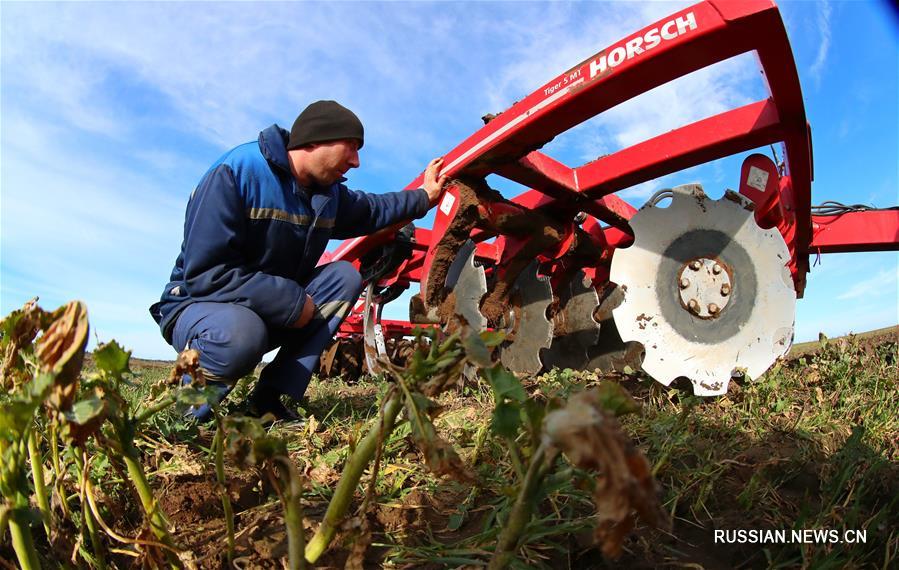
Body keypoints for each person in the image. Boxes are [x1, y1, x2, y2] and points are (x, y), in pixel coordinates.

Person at [150, 100, 447, 421]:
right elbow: (207, 274)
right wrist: (290, 301)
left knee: (344, 277)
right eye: (351, 146)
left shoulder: (327, 195)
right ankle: (187, 411)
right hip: (198, 305)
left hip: (263, 307)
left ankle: (270, 401)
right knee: (241, 333)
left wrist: (424, 197)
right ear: (316, 139)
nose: (356, 161)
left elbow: (373, 209)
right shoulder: (237, 173)